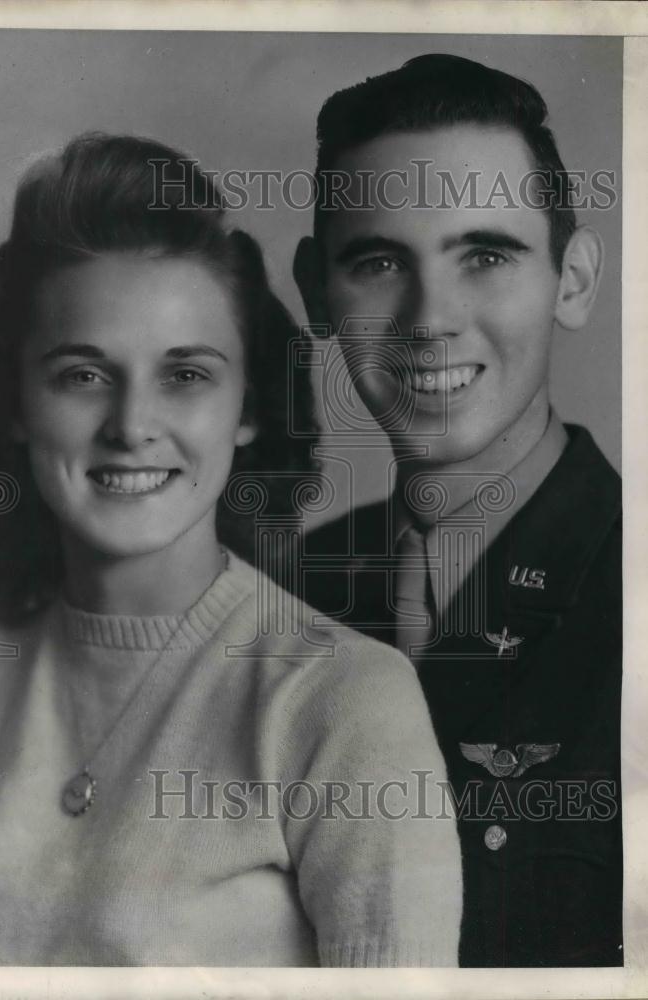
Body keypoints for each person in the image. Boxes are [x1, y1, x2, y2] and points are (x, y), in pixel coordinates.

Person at [0, 133, 462, 967]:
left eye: (186, 375)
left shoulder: (341, 702)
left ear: (248, 407)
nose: (132, 427)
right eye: (82, 374)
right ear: (13, 400)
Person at [291, 54, 622, 967]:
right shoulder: (277, 600)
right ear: (317, 292)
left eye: (485, 255)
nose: (429, 319)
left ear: (575, 279)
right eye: (379, 261)